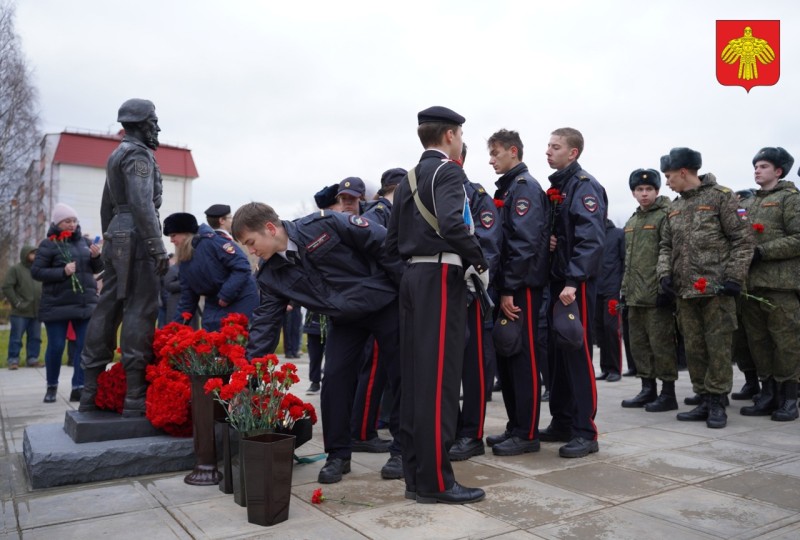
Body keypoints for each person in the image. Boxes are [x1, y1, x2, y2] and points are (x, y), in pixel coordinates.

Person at [232, 202, 405, 485]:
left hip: (384, 304)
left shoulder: (323, 225)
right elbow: (266, 323)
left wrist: (406, 293)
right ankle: (338, 455)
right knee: (334, 380)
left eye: (251, 242)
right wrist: (249, 373)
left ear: (270, 228)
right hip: (344, 319)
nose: (251, 250)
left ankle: (402, 450)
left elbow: (382, 243)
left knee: (400, 375)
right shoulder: (270, 274)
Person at [385, 105, 488, 504]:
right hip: (440, 280)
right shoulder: (449, 171)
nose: (462, 142)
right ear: (450, 135)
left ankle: (417, 477)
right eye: (461, 135)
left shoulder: (410, 177)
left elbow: (390, 244)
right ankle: (436, 483)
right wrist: (478, 257)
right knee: (440, 383)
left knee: (416, 383)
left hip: (413, 279)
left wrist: (414, 271)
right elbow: (452, 222)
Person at [79, 98, 171, 417]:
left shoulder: (116, 154)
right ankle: (135, 396)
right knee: (140, 309)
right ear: (141, 124)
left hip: (118, 231)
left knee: (109, 306)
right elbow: (142, 203)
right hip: (138, 232)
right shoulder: (138, 155)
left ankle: (89, 391)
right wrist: (155, 244)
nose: (157, 126)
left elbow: (107, 205)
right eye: (154, 121)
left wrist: (111, 240)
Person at [657, 147, 754, 429]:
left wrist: (735, 277)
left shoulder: (721, 197)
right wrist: (664, 274)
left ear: (684, 172)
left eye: (669, 175)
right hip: (685, 291)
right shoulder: (675, 207)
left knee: (718, 347)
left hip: (717, 289)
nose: (667, 181)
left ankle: (717, 402)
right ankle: (702, 398)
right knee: (695, 348)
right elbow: (665, 245)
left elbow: (743, 240)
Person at [481, 129, 548, 459]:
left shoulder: (524, 189)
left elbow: (523, 243)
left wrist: (509, 288)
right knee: (508, 357)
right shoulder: (510, 187)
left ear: (513, 151)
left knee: (523, 358)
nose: (491, 159)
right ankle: (515, 424)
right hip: (509, 285)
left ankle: (528, 432)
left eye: (495, 153)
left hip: (521, 286)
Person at [544, 127, 606, 458]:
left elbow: (591, 238)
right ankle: (563, 421)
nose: (548, 152)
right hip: (559, 279)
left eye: (555, 147)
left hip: (574, 284)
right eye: (548, 146)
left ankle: (586, 430)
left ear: (573, 153)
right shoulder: (561, 187)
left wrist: (573, 280)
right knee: (558, 356)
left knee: (577, 353)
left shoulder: (584, 186)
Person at [450, 142, 502, 462]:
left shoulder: (476, 195)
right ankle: (451, 428)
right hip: (439, 293)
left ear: (459, 158)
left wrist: (471, 285)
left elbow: (488, 246)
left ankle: (471, 434)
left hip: (469, 291)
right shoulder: (431, 193)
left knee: (473, 368)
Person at [740, 147, 800, 421]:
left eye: (763, 166)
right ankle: (768, 393)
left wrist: (763, 252)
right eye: (755, 165)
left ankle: (789, 398)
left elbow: (798, 237)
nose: (757, 170)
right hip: (752, 286)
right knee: (759, 342)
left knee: (785, 342)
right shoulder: (750, 204)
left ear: (778, 171)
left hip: (780, 285)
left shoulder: (790, 199)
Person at [620, 169, 679, 412]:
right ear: (633, 193)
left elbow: (671, 252)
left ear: (657, 190)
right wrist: (624, 290)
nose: (644, 194)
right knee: (639, 345)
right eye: (639, 190)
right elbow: (629, 260)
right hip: (635, 295)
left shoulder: (667, 215)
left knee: (662, 345)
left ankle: (667, 393)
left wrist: (666, 288)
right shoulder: (632, 221)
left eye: (649, 190)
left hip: (657, 294)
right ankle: (647, 388)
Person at [31, 203, 103, 403]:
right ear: (57, 223)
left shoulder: (85, 242)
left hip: (84, 304)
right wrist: (62, 272)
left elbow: (96, 268)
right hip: (56, 305)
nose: (72, 225)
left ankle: (78, 387)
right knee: (55, 347)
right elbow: (36, 272)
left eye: (74, 221)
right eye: (67, 221)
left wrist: (97, 257)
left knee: (83, 347)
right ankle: (51, 386)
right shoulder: (48, 244)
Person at [164, 212, 258, 331]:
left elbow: (242, 267)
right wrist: (174, 329)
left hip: (240, 298)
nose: (172, 240)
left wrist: (225, 295)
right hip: (215, 303)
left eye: (173, 235)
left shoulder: (213, 242)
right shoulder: (185, 259)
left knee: (235, 341)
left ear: (186, 232)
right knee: (210, 339)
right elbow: (188, 297)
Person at [594, 218, 625, 382]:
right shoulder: (592, 233)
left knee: (612, 328)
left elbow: (624, 262)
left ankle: (615, 369)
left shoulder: (618, 234)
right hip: (596, 289)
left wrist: (621, 286)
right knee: (600, 330)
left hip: (612, 289)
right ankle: (605, 368)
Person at [3, 245, 42, 370]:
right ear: (25, 254)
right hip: (20, 312)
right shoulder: (15, 269)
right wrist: (17, 303)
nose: (35, 256)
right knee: (16, 338)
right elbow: (7, 287)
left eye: (36, 253)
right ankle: (13, 360)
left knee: (35, 338)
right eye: (32, 253)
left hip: (36, 311)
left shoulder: (38, 269)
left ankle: (32, 359)